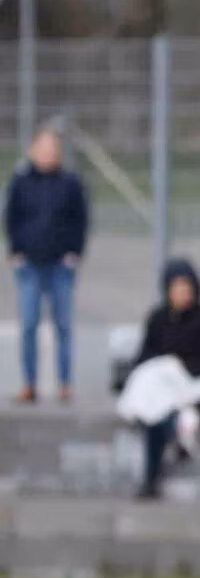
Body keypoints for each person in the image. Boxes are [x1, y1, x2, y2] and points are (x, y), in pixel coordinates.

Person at [121, 258, 200, 500]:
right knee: (156, 414)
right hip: (160, 389)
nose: (181, 293)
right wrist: (163, 365)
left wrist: (178, 367)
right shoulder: (158, 318)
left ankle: (154, 474)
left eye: (186, 288)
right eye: (176, 288)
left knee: (161, 412)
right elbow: (144, 357)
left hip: (190, 384)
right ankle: (168, 452)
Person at [6, 127, 90, 405]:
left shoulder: (70, 182)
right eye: (43, 149)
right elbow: (11, 217)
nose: (47, 155)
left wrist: (74, 252)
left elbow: (81, 219)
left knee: (63, 325)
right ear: (32, 151)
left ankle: (64, 383)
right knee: (29, 324)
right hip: (29, 265)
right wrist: (16, 252)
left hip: (60, 266)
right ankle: (29, 383)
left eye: (52, 150)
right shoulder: (21, 181)